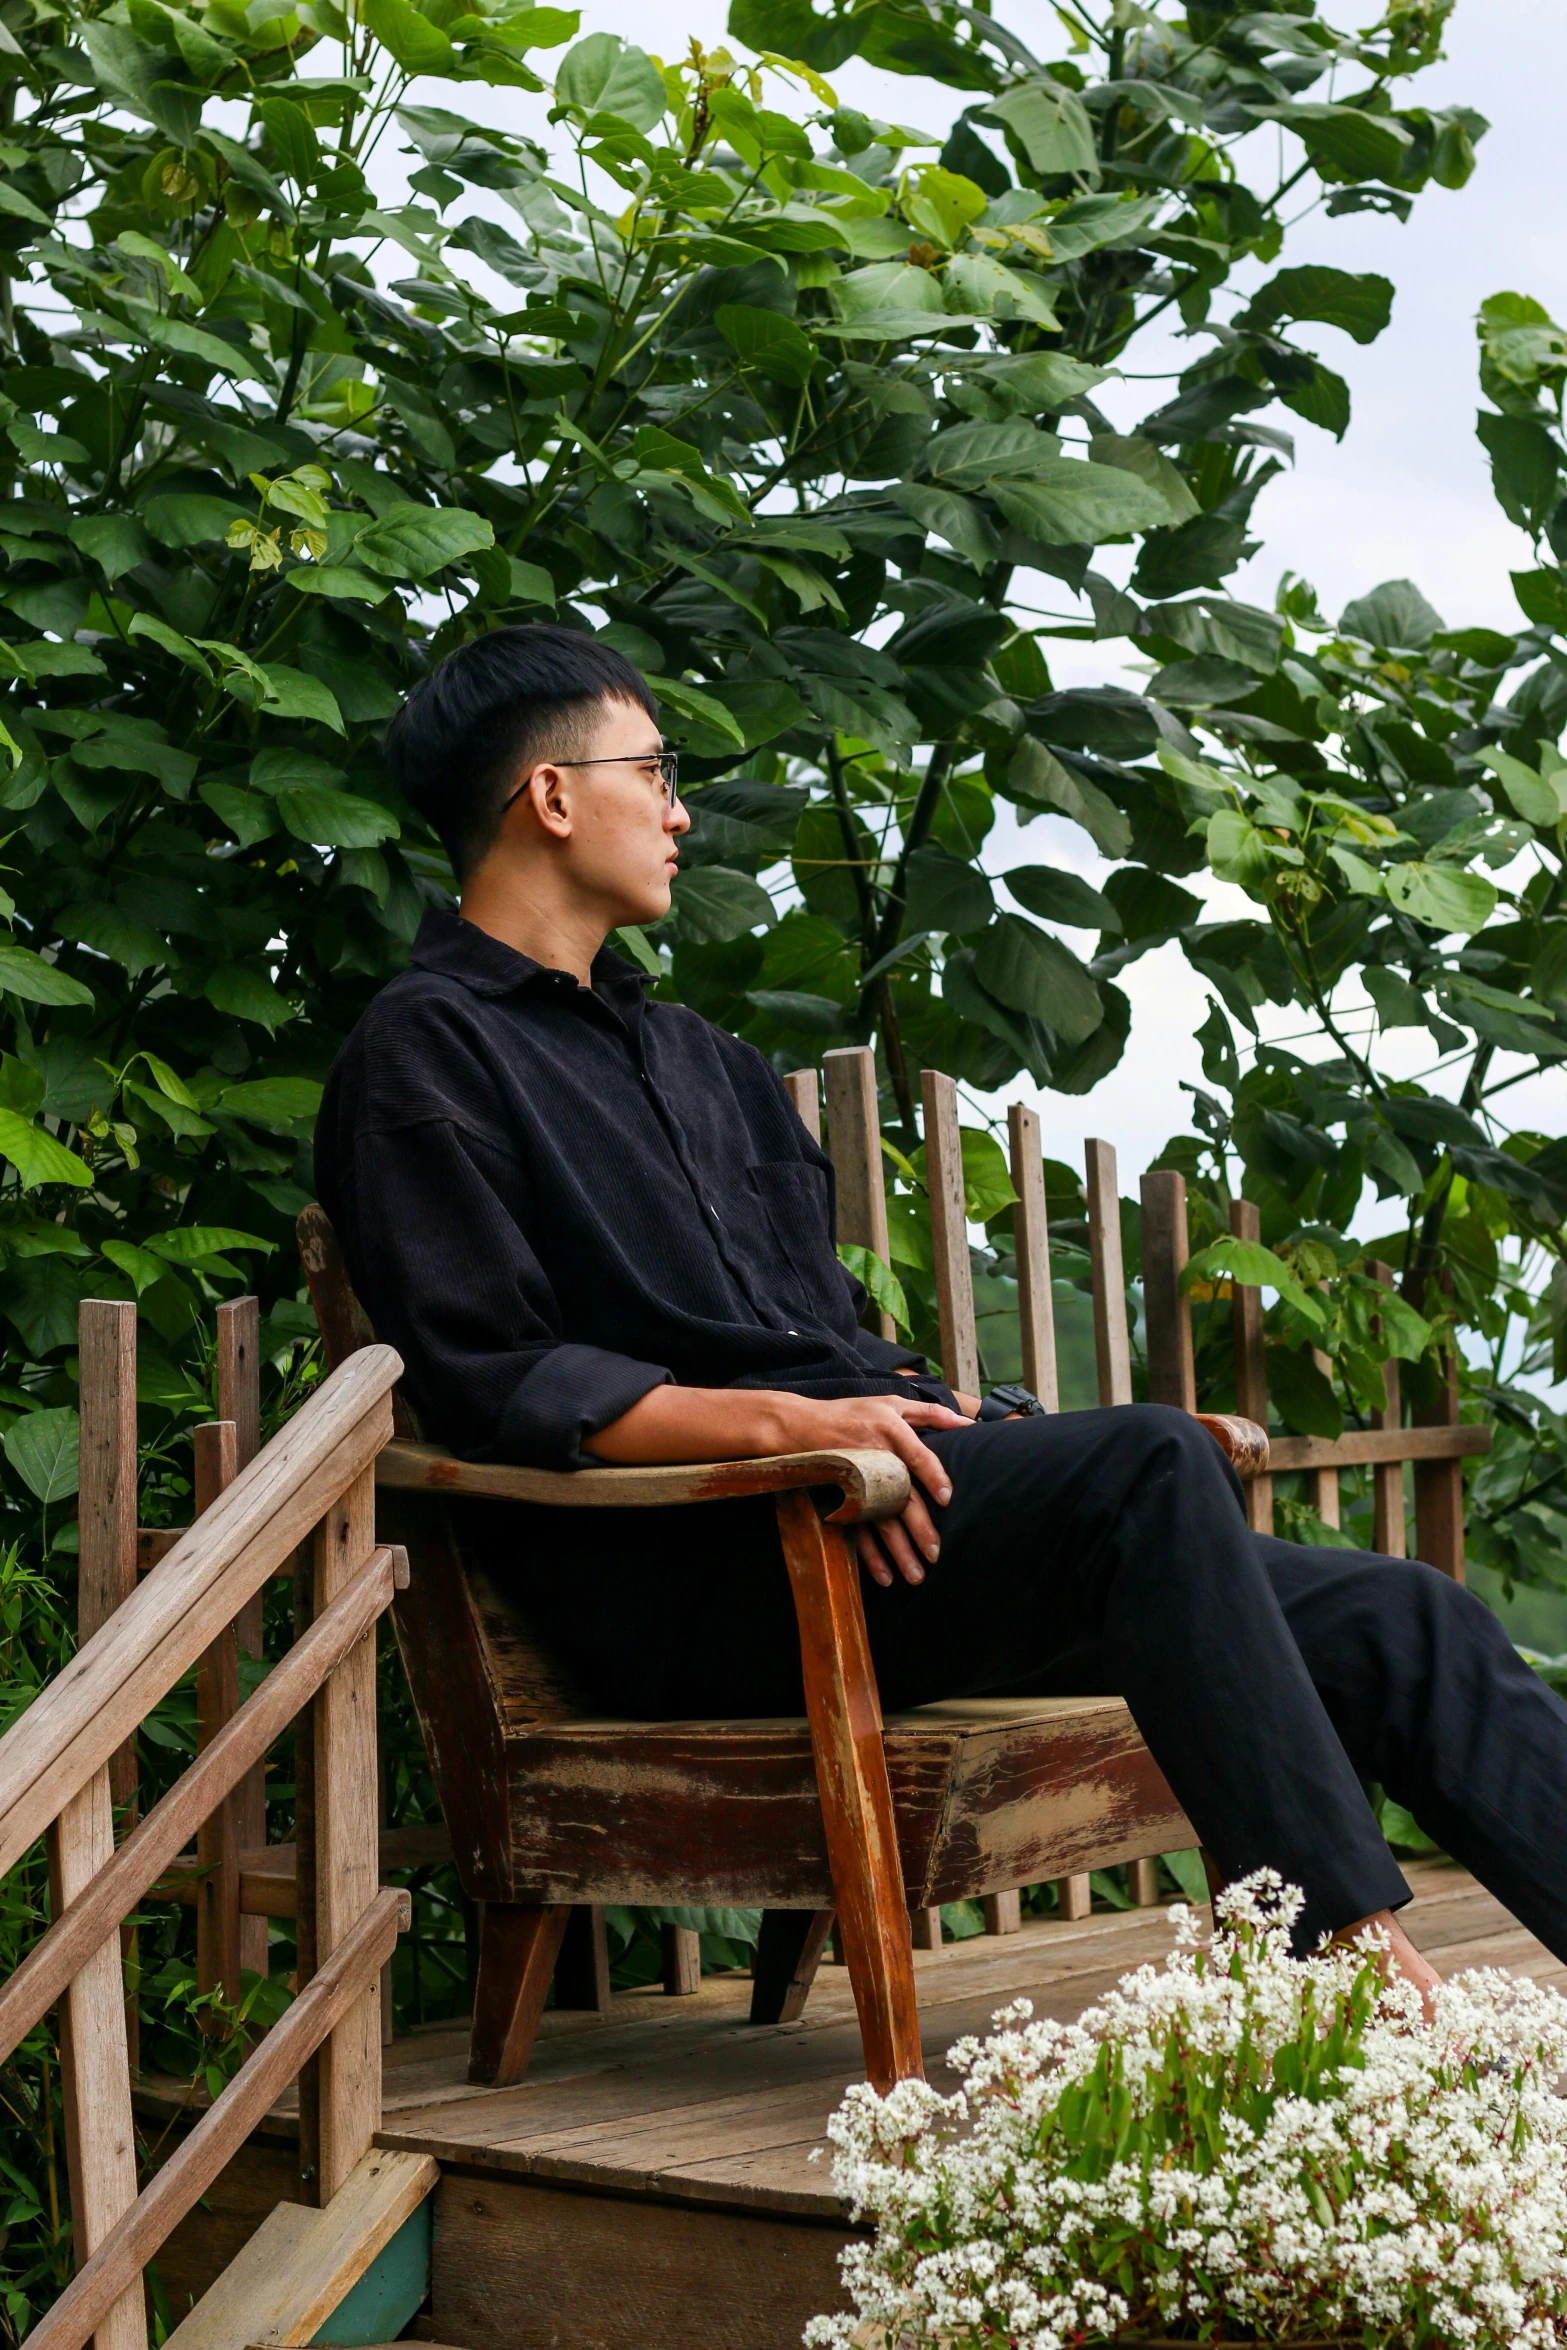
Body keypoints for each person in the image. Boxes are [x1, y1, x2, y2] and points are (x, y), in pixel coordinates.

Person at [315, 623, 1567, 2017]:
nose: (678, 811)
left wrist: (918, 1420)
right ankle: (1339, 1965)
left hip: (874, 1529)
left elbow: (824, 1329)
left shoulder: (702, 1062)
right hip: (698, 1570)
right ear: (549, 796)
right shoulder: (424, 1054)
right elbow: (504, 1378)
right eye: (654, 770)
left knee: (1405, 1615)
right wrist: (802, 1432)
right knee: (1147, 1461)